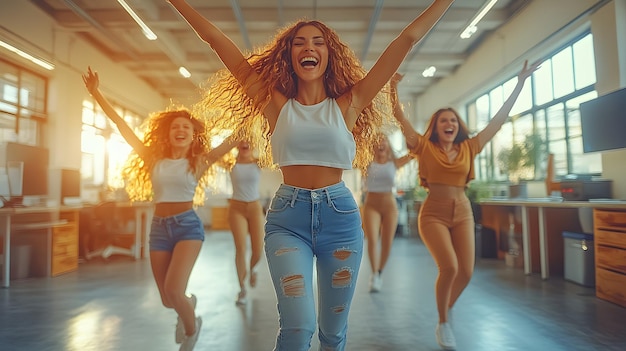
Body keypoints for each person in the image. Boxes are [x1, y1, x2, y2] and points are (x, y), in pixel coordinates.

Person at [166, 1, 455, 349]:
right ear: (289, 55)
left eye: (318, 42)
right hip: (289, 219)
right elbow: (215, 39)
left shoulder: (350, 103)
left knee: (332, 335)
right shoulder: (274, 104)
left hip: (341, 220)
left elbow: (408, 38)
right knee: (298, 328)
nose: (309, 47)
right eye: (299, 42)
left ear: (328, 55)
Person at [82, 67, 238, 351]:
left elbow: (232, 140)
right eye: (175, 126)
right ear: (168, 133)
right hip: (159, 229)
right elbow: (121, 126)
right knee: (169, 299)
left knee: (174, 291)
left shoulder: (199, 162)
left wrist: (256, 107)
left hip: (188, 227)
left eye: (186, 128)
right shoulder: (153, 158)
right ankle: (188, 305)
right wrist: (96, 93)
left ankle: (191, 332)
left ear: (193, 136)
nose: (180, 130)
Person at [390, 60, 541, 350]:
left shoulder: (470, 147)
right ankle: (443, 322)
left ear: (459, 126)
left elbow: (498, 121)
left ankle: (444, 310)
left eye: (454, 121)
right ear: (435, 126)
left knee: (467, 272)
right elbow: (401, 120)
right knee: (449, 267)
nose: (450, 124)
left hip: (462, 211)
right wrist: (393, 89)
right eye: (444, 120)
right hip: (433, 213)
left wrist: (520, 83)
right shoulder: (423, 146)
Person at [362, 133, 412, 293]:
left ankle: (379, 273)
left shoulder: (395, 162)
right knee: (372, 240)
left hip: (390, 206)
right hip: (371, 205)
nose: (380, 143)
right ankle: (374, 273)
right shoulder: (366, 162)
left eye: (383, 140)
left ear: (388, 145)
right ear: (373, 146)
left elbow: (415, 153)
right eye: (377, 141)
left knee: (387, 243)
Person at [225, 140, 265, 306]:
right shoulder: (229, 164)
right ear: (236, 144)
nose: (245, 142)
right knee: (241, 248)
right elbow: (213, 155)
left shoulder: (259, 163)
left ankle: (253, 269)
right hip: (236, 208)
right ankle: (242, 288)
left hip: (255, 207)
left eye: (249, 139)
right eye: (241, 139)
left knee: (258, 250)